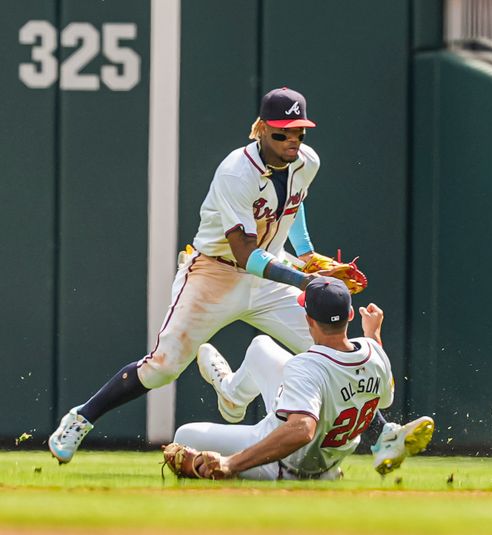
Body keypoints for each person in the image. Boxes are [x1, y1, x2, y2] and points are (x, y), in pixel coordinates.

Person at [48, 87, 432, 472]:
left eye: (299, 131)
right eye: (282, 133)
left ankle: (382, 434)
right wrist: (304, 282)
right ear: (262, 130)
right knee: (162, 366)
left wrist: (306, 255)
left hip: (272, 273)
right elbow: (246, 253)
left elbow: (292, 206)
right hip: (215, 272)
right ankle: (81, 417)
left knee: (331, 347)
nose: (292, 140)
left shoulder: (306, 161)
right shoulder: (237, 171)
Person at [165, 277, 434, 480]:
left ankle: (232, 404)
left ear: (309, 320)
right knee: (261, 347)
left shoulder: (306, 365)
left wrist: (231, 463)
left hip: (286, 465)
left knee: (184, 435)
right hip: (328, 456)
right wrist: (373, 337)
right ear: (350, 315)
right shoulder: (374, 351)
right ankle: (231, 395)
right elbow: (383, 401)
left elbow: (302, 430)